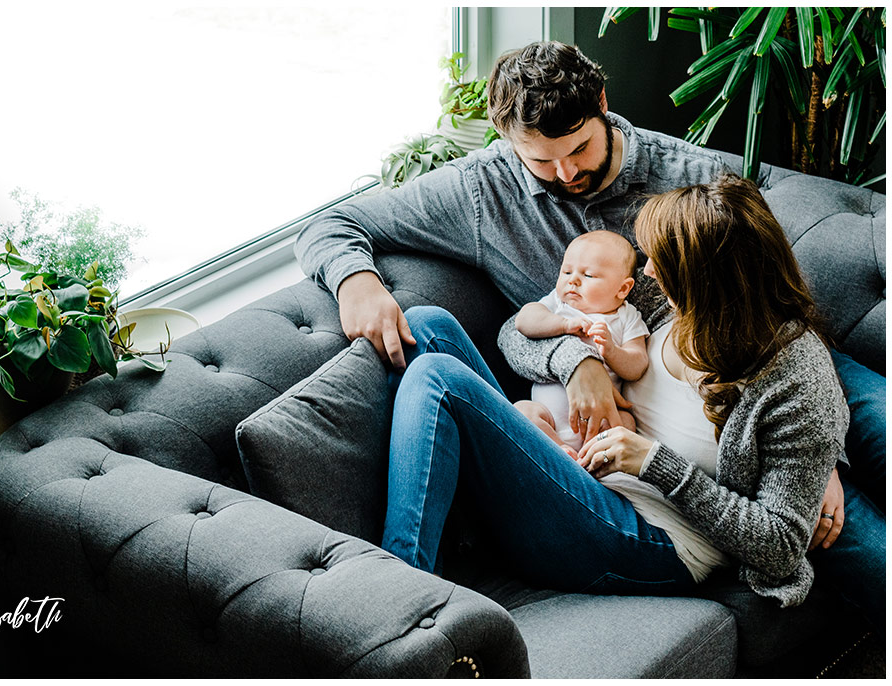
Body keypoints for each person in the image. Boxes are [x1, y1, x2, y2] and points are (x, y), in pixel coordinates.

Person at [295, 40, 883, 606]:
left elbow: (767, 300)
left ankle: (398, 591)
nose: (565, 172)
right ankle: (410, 590)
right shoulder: (483, 193)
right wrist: (357, 281)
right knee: (427, 327)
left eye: (578, 149)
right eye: (541, 160)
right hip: (639, 385)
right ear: (507, 141)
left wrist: (820, 456)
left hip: (749, 359)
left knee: (854, 461)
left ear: (601, 103)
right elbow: (334, 226)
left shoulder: (687, 183)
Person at [380, 175, 883, 629]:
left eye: (657, 263)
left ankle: (395, 608)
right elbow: (520, 331)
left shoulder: (793, 377)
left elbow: (779, 547)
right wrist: (581, 363)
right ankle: (451, 526)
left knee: (437, 377)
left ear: (703, 280)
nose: (645, 274)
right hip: (584, 465)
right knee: (429, 325)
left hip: (654, 535)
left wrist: (654, 463)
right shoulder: (667, 304)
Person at [514, 230, 648, 456]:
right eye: (566, 271)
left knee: (626, 423)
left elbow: (638, 366)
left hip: (602, 421)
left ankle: (593, 458)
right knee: (523, 410)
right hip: (548, 418)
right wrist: (563, 325)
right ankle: (559, 448)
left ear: (623, 288)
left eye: (588, 276)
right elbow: (523, 321)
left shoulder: (626, 317)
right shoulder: (558, 305)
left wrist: (613, 352)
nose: (572, 280)